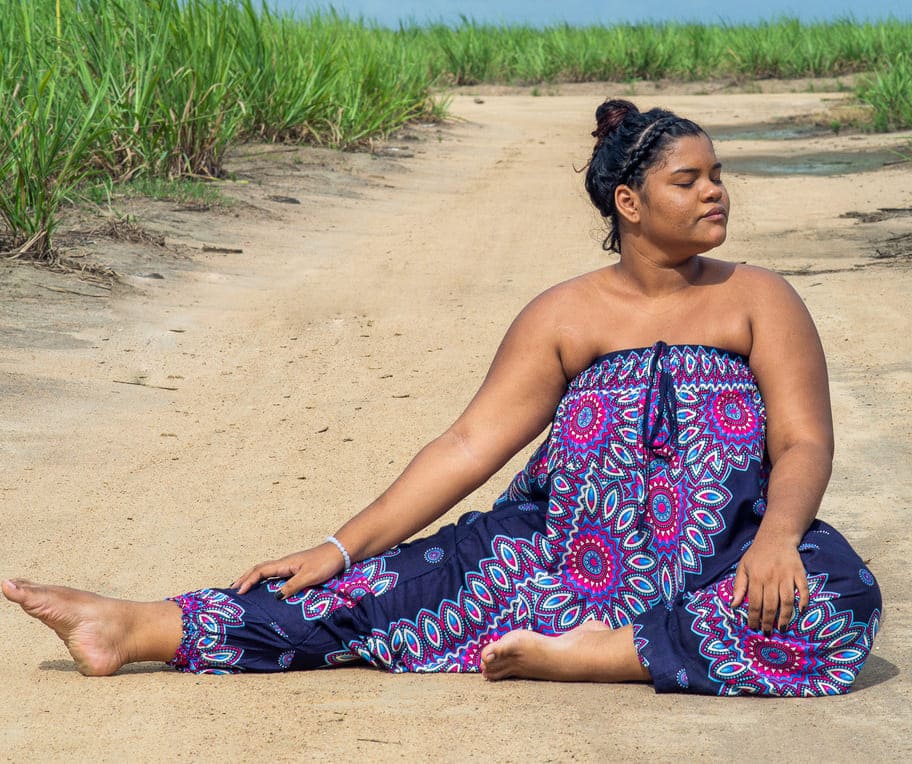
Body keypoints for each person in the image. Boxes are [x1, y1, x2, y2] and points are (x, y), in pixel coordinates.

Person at [2, 99, 881, 696]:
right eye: (688, 180)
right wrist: (338, 546)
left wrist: (775, 543)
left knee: (842, 611)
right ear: (630, 203)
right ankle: (132, 627)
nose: (715, 190)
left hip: (720, 555)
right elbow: (468, 447)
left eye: (717, 174)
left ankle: (607, 656)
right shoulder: (563, 313)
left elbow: (803, 442)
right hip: (560, 561)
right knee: (373, 596)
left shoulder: (759, 297)